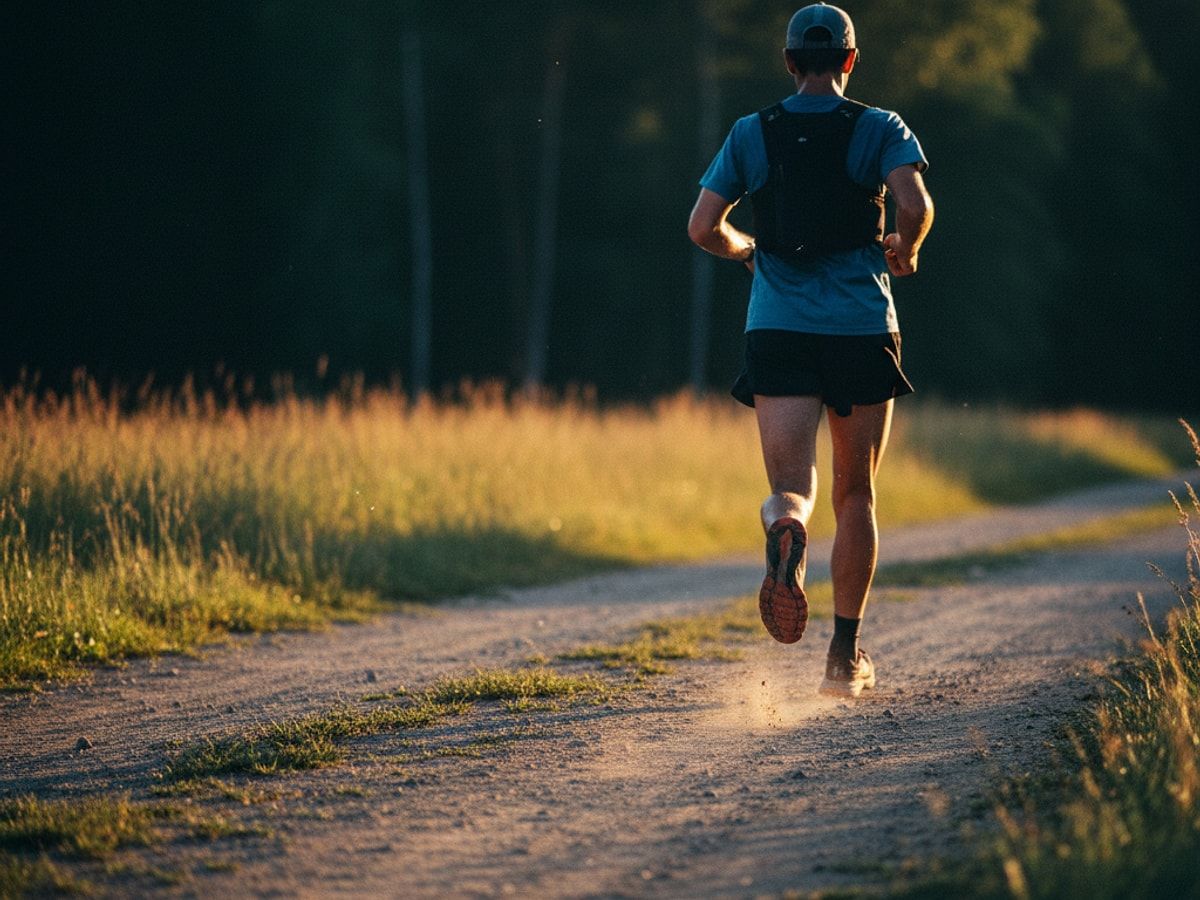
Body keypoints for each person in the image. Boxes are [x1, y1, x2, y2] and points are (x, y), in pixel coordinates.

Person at [686, 2, 933, 698]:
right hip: (859, 325)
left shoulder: (751, 132)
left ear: (790, 62)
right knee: (857, 493)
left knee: (793, 486)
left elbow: (704, 226)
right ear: (850, 61)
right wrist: (905, 250)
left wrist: (748, 251)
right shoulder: (879, 127)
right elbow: (913, 204)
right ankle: (842, 659)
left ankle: (785, 526)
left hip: (780, 328)